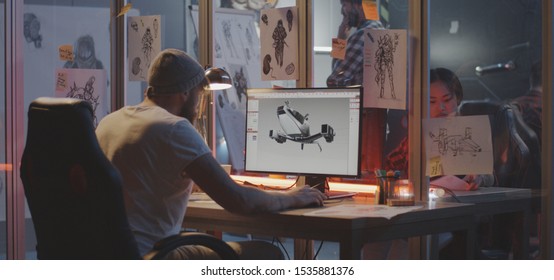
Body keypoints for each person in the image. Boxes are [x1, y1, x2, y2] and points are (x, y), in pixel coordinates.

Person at [95, 48, 327, 259]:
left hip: (106, 256)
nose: (199, 104)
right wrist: (293, 197)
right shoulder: (174, 128)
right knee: (266, 253)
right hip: (153, 256)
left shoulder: (110, 122)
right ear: (185, 92)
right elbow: (239, 200)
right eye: (200, 93)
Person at [385, 67, 494, 189]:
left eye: (447, 100)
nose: (441, 107)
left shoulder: (470, 131)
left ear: (457, 98)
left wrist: (480, 178)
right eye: (432, 102)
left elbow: (491, 176)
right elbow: (388, 167)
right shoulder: (417, 137)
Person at [327, 0, 384, 87]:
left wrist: (340, 41)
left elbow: (333, 82)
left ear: (360, 5)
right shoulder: (379, 29)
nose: (342, 11)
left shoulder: (363, 35)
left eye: (344, 5)